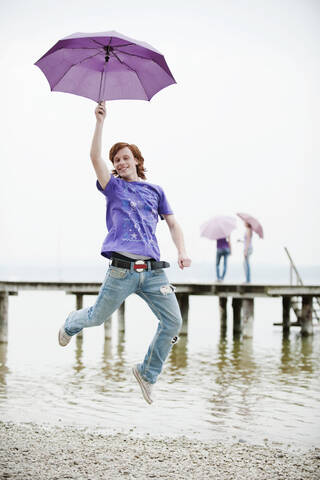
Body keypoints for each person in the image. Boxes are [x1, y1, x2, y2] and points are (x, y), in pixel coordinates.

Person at [58, 101, 191, 405]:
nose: (120, 163)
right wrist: (100, 122)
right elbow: (94, 157)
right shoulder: (113, 187)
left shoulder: (155, 191)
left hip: (155, 271)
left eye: (125, 158)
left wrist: (182, 251)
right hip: (121, 270)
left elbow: (173, 223)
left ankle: (147, 373)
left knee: (173, 322)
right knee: (95, 317)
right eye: (116, 159)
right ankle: (70, 323)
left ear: (136, 160)